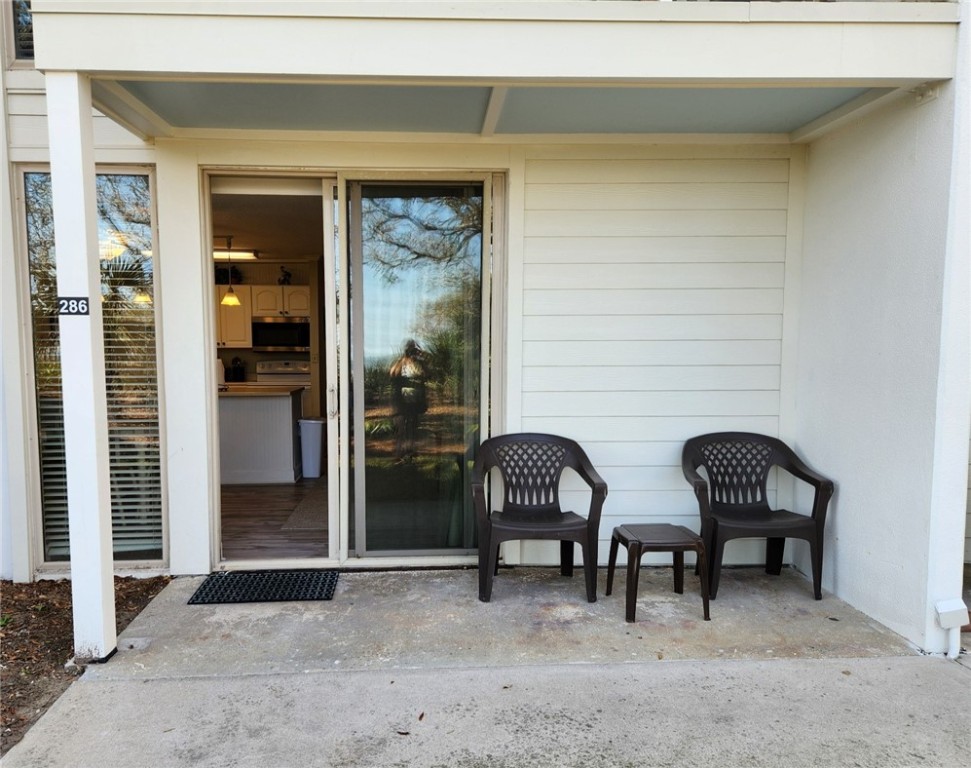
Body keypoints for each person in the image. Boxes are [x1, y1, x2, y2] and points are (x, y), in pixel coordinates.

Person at [389, 339, 427, 459]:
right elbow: (392, 373)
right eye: (411, 350)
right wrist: (404, 359)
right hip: (401, 403)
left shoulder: (419, 364)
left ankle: (410, 452)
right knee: (401, 429)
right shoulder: (401, 362)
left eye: (414, 350)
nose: (412, 353)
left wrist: (422, 358)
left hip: (414, 402)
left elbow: (427, 374)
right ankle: (399, 454)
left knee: (412, 428)